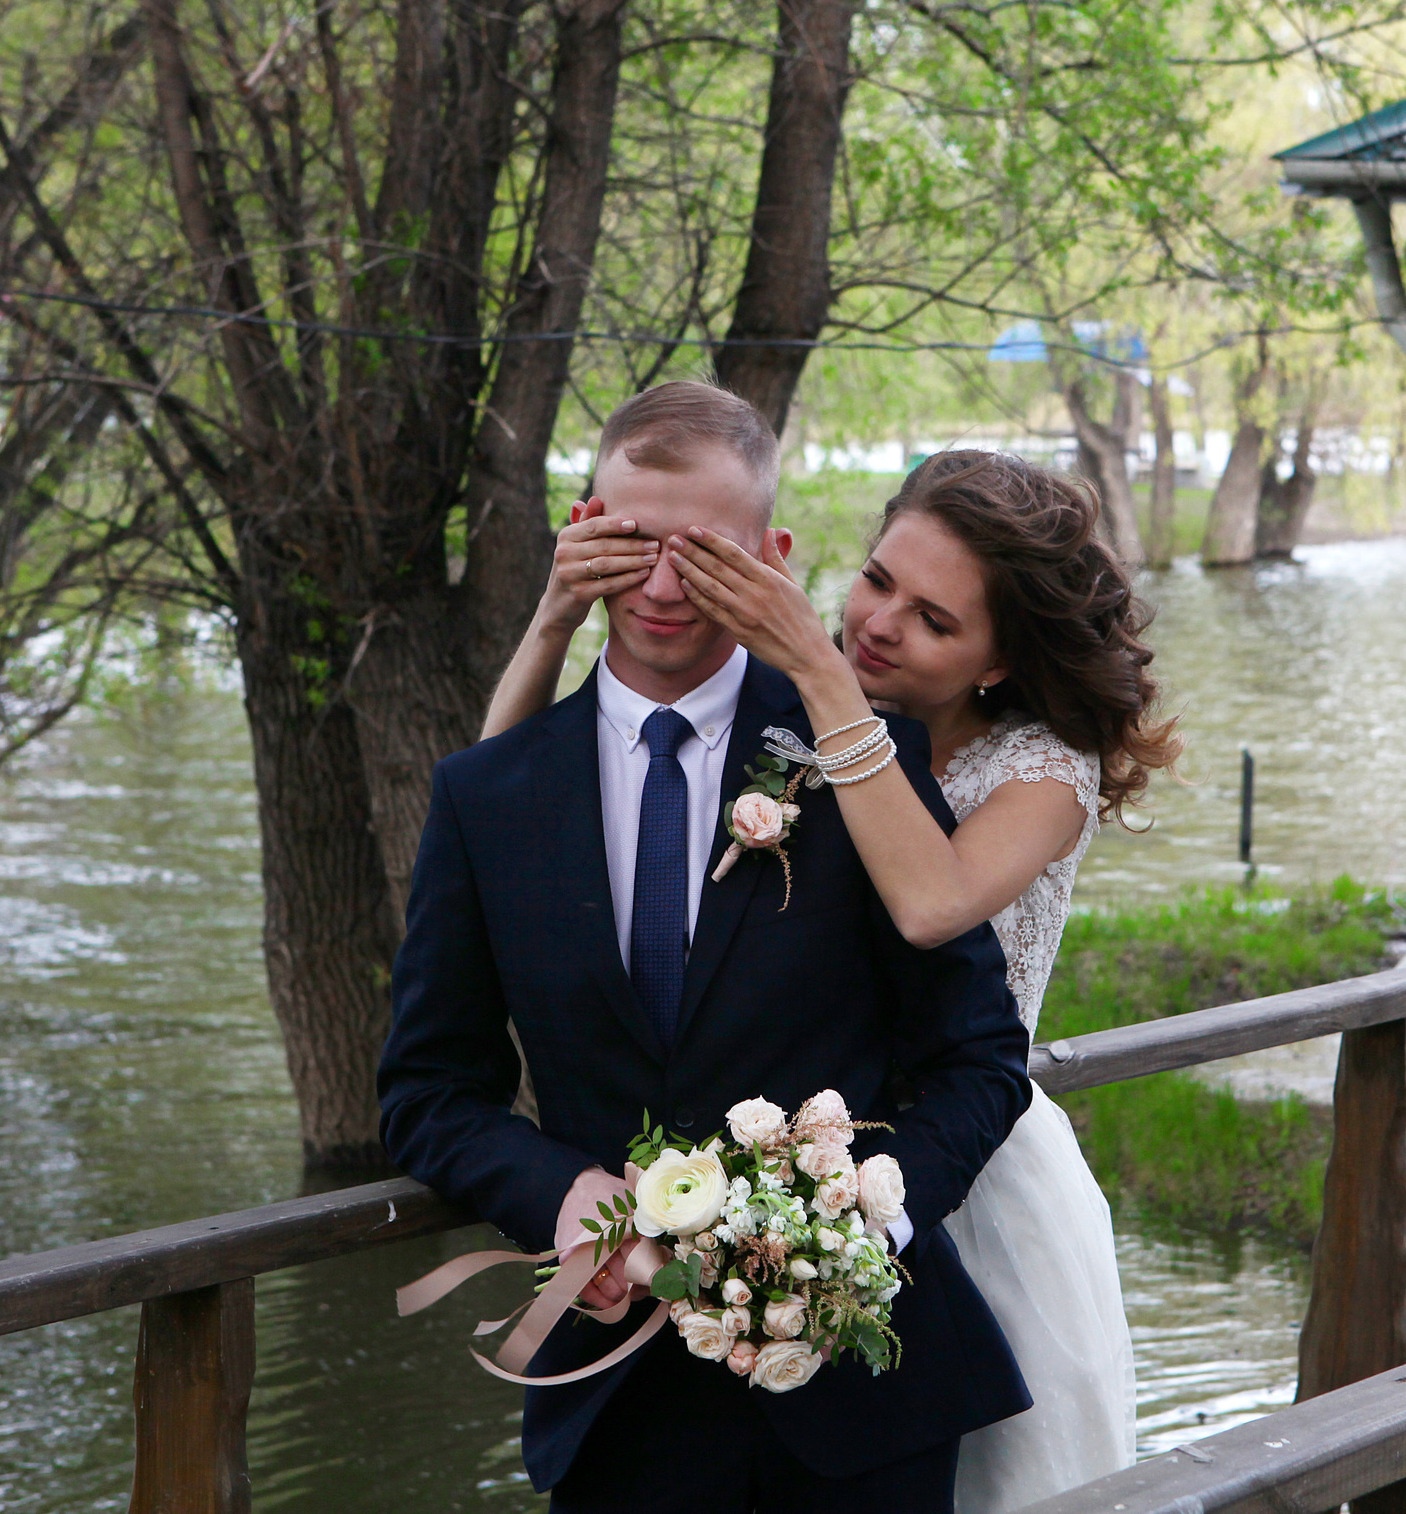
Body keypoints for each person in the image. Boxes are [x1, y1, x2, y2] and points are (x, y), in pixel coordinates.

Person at [484, 446, 1182, 1512]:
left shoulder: (1038, 772)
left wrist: (815, 675)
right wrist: (556, 621)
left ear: (997, 661)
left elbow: (928, 902)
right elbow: (503, 806)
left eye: (934, 620)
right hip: (779, 1144)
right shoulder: (814, 715)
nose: (878, 623)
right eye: (875, 578)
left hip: (963, 1170)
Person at [380, 383, 1035, 1514]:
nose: (668, 586)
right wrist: (567, 1198)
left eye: (709, 552)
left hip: (860, 1401)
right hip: (614, 1403)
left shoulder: (865, 765)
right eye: (634, 545)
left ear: (773, 553)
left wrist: (857, 1229)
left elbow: (978, 1059)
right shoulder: (488, 793)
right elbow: (429, 1091)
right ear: (583, 533)